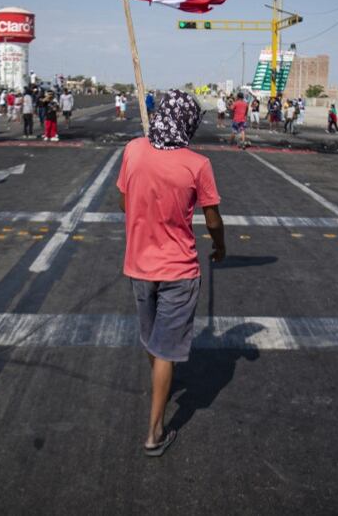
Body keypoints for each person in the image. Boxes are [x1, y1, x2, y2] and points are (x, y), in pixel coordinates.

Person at [116, 90, 225, 457]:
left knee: (154, 343)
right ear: (189, 123)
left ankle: (161, 381)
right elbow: (211, 217)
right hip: (179, 268)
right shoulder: (197, 164)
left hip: (139, 265)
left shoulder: (133, 150)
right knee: (162, 350)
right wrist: (220, 245)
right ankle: (154, 432)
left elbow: (124, 201)